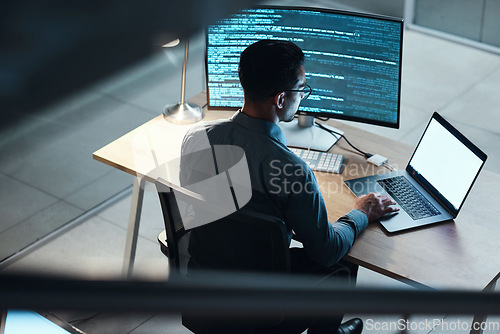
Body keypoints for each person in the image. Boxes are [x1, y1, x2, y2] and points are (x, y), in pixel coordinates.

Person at [179, 39, 398, 334]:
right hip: (263, 306)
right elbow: (327, 251)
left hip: (203, 288)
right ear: (281, 99)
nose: (303, 96)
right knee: (341, 265)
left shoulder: (195, 140)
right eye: (302, 89)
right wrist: (360, 212)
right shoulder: (293, 171)